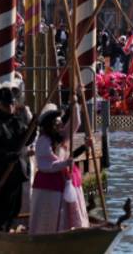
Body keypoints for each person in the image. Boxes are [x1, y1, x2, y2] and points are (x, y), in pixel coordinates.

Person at [29, 100, 89, 234]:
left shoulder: (61, 136)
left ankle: (71, 231)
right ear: (51, 125)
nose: (61, 125)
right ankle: (50, 233)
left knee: (68, 211)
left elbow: (75, 124)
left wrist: (75, 103)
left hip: (65, 179)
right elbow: (46, 165)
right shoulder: (43, 141)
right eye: (57, 123)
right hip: (50, 183)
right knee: (52, 212)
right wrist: (65, 164)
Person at [0, 87, 30, 231]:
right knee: (1, 200)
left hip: (17, 168)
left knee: (15, 201)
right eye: (8, 105)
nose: (11, 108)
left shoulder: (17, 121)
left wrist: (33, 127)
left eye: (12, 104)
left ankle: (9, 225)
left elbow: (26, 140)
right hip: (0, 169)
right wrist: (8, 156)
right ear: (1, 106)